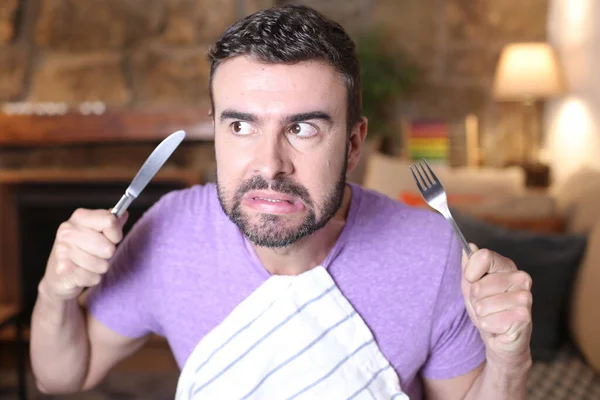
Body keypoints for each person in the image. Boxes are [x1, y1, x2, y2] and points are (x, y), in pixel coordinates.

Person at [30, 4, 532, 399]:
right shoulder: (171, 233)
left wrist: (510, 361)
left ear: (353, 145)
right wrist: (55, 291)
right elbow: (62, 376)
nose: (269, 165)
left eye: (302, 128)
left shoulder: (433, 254)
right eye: (242, 125)